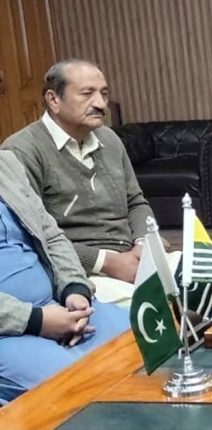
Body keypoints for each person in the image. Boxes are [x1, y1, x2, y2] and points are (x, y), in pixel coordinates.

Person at [2, 59, 155, 303]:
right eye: (87, 94)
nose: (101, 104)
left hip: (134, 259)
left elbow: (136, 202)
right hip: (80, 275)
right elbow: (35, 237)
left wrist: (144, 244)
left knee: (210, 278)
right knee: (154, 306)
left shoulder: (110, 139)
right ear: (54, 100)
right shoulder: (21, 152)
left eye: (104, 94)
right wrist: (106, 262)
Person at [0, 150, 129, 404]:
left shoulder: (6, 164)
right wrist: (35, 320)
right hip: (10, 331)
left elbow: (52, 236)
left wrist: (75, 289)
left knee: (147, 341)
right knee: (85, 386)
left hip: (60, 307)